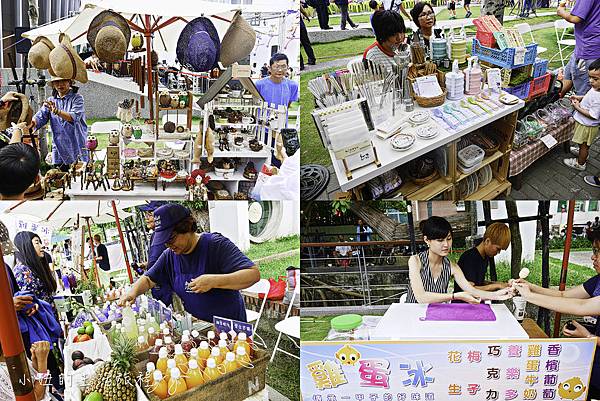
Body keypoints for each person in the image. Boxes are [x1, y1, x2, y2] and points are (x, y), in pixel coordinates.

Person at [118, 204, 260, 322]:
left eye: (172, 239)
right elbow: (149, 279)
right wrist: (132, 293)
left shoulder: (215, 245)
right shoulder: (169, 255)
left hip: (229, 327)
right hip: (199, 327)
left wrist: (213, 281)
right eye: (165, 242)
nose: (169, 245)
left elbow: (252, 274)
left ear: (187, 227)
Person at [512, 231, 600, 400]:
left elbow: (582, 306)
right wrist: (530, 286)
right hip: (591, 364)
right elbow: (563, 296)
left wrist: (589, 337)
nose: (592, 257)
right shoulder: (597, 281)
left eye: (597, 251)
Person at [405, 216, 512, 304]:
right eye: (440, 240)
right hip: (413, 315)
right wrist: (455, 296)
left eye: (449, 238)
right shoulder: (415, 261)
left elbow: (472, 290)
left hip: (434, 315)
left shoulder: (452, 266)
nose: (446, 244)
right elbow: (421, 297)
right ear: (427, 240)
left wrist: (500, 293)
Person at [28, 76, 88, 171]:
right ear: (53, 85)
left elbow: (74, 117)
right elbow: (41, 116)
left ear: (70, 82)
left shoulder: (77, 98)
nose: (60, 85)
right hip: (59, 145)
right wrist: (32, 123)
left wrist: (57, 111)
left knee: (80, 176)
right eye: (56, 82)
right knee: (60, 176)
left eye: (63, 81)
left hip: (76, 143)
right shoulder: (51, 100)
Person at [562, 59, 600, 172]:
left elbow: (593, 115)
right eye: (590, 77)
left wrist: (577, 107)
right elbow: (589, 97)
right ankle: (582, 154)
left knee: (584, 145)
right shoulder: (596, 89)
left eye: (595, 79)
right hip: (585, 124)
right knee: (581, 143)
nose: (590, 81)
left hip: (587, 126)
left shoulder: (599, 97)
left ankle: (580, 163)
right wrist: (579, 98)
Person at [454, 223, 511, 297]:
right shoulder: (470, 258)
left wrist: (500, 284)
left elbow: (478, 282)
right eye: (498, 249)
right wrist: (496, 286)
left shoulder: (484, 257)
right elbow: (470, 289)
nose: (498, 252)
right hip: (462, 305)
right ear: (487, 241)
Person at [557, 0, 600, 97]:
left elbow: (575, 18)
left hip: (588, 50)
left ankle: (578, 110)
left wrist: (561, 11)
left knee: (582, 94)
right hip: (585, 47)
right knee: (567, 77)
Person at [13, 232, 57, 306]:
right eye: (37, 243)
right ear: (26, 246)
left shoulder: (34, 267)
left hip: (48, 315)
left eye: (40, 242)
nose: (42, 246)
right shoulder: (23, 271)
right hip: (41, 316)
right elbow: (29, 306)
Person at [300, 3, 317, 70]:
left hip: (293, 28)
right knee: (306, 43)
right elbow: (303, 11)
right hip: (301, 26)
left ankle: (301, 65)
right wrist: (307, 17)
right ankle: (312, 59)